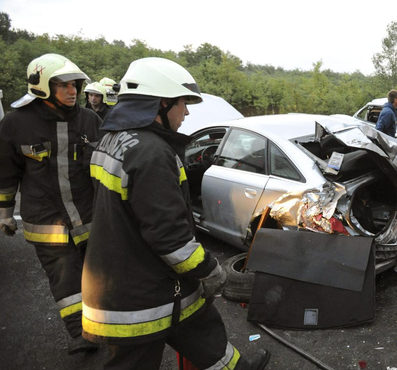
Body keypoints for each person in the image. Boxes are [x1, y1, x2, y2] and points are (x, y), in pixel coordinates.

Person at [82, 57, 270, 370]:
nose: (186, 111)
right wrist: (210, 271)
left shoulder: (113, 140)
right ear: (161, 104)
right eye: (182, 103)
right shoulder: (152, 153)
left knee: (205, 336)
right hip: (142, 293)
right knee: (135, 361)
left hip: (139, 277)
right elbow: (170, 237)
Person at [0, 53, 102, 355]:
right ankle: (81, 334)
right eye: (64, 86)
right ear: (41, 86)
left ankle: (104, 325)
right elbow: (6, 173)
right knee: (65, 276)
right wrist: (5, 214)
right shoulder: (16, 123)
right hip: (47, 223)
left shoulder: (89, 120)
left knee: (99, 276)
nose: (73, 92)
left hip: (89, 216)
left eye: (76, 85)